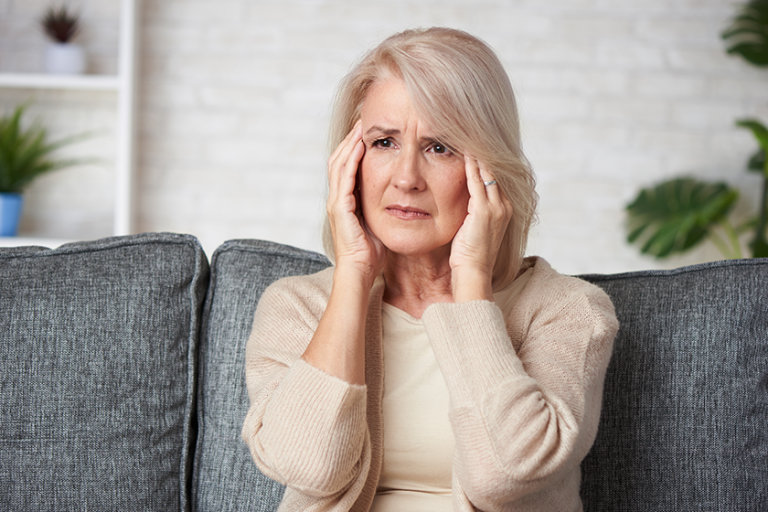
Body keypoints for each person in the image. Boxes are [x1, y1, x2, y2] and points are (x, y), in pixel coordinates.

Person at [241, 27, 618, 512]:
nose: (405, 178)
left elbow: (505, 475)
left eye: (439, 146)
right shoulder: (297, 307)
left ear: (489, 170)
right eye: (383, 142)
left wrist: (470, 283)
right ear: (349, 163)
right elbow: (307, 468)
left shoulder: (569, 312)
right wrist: (353, 273)